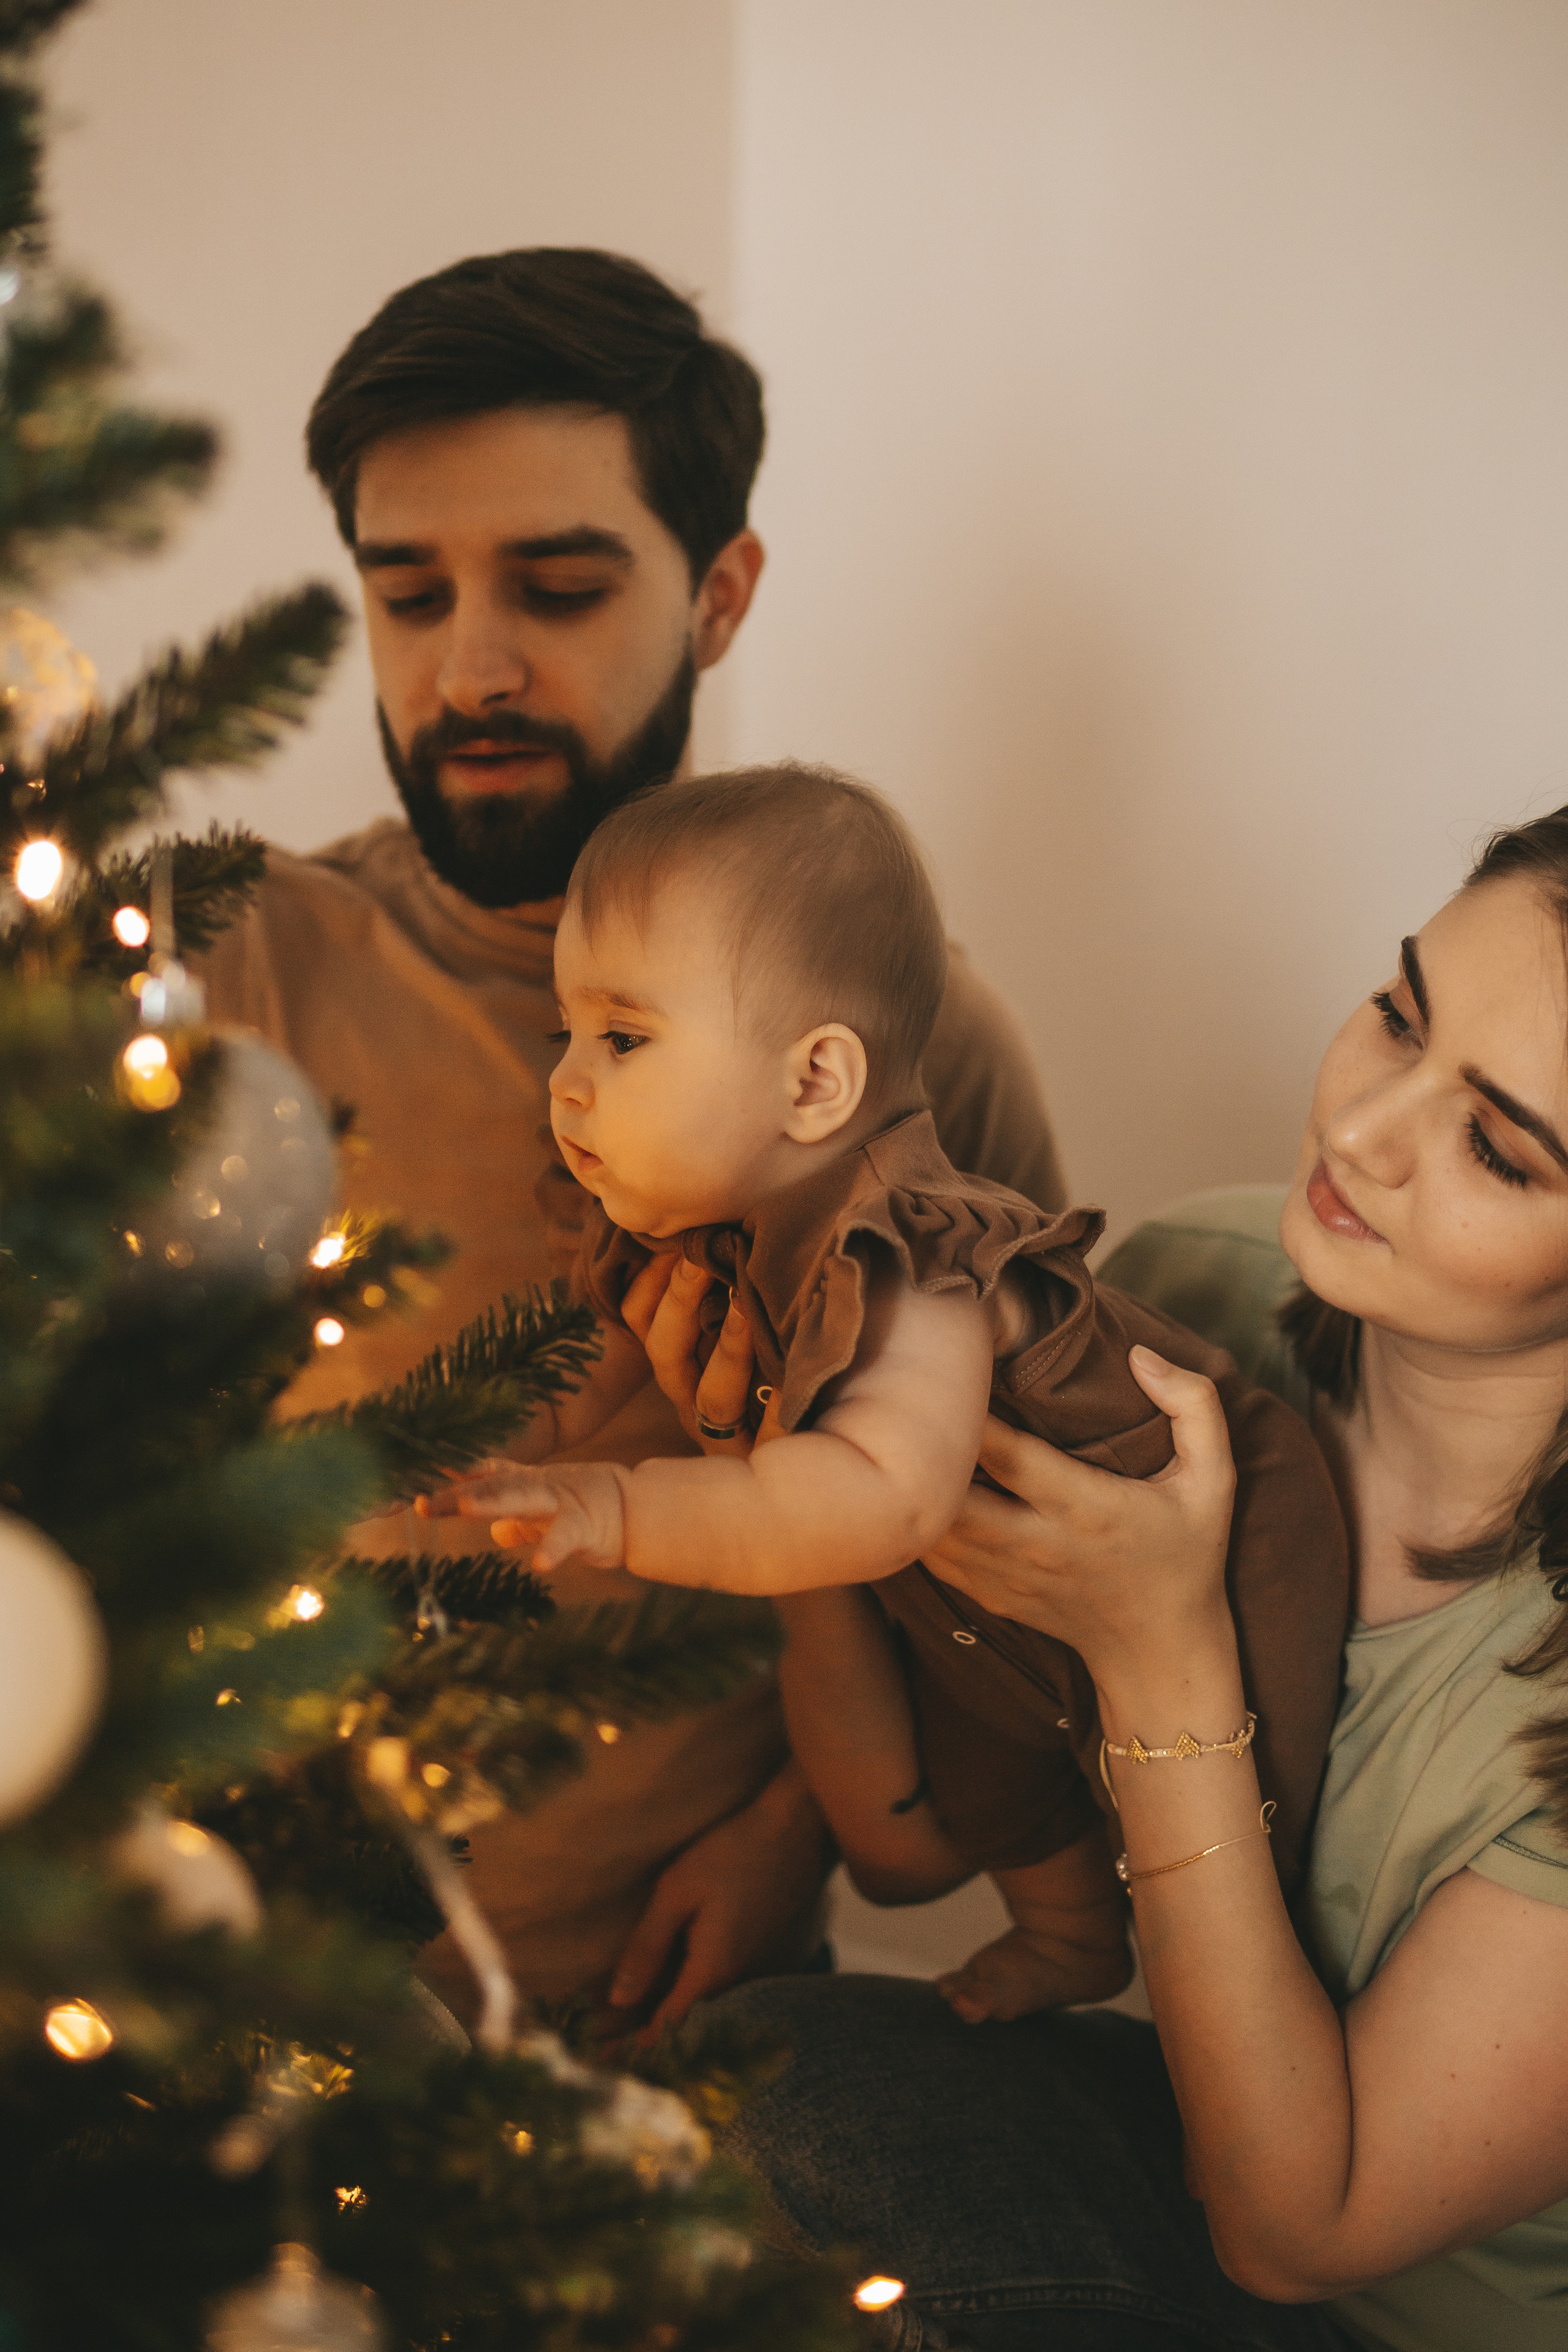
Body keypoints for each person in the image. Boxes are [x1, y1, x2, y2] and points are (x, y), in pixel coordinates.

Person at [193, 247, 1068, 2030]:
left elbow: (1002, 1555)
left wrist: (784, 1838)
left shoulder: (902, 1045)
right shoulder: (229, 972)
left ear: (720, 595)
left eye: (561, 588)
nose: (475, 664)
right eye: (408, 594)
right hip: (229, 2029)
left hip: (687, 2046)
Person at [679, 802, 1568, 2352]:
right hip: (1182, 2159)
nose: (1360, 1131)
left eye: (1496, 1146)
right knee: (751, 2084)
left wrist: (1161, 1657)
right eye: (1395, 1016)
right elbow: (919, 1847)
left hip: (1387, 2304)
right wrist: (798, 1489)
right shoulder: (1196, 1291)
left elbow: (1302, 2231)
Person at [422, 763, 1344, 2024]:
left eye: (623, 1039)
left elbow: (876, 1497)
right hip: (996, 1613)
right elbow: (581, 1380)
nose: (568, 1083)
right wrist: (478, 1455)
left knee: (1268, 1850)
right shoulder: (726, 1241)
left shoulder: (913, 1251)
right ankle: (1073, 1937)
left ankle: (1273, 2042)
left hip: (1223, 1561)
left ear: (814, 1085)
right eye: (564, 1035)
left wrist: (614, 1507)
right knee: (989, 1787)